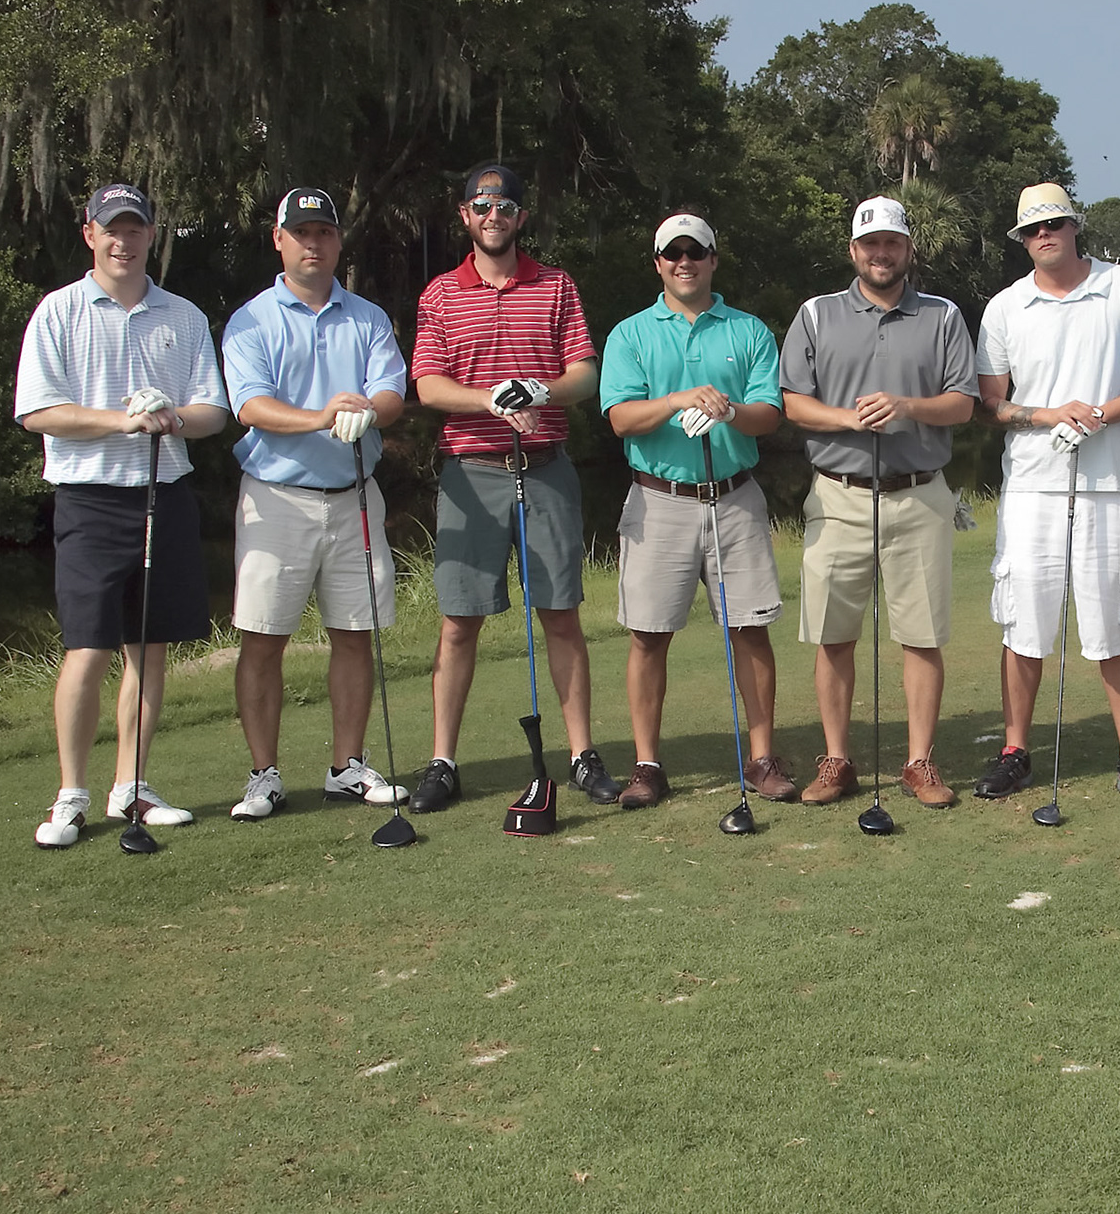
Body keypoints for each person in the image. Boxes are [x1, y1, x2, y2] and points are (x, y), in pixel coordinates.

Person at [17, 183, 230, 848]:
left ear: (149, 235)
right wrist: (124, 421)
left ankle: (130, 787)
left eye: (135, 228)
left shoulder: (183, 316)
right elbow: (38, 412)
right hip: (89, 499)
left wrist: (170, 417)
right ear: (90, 234)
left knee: (149, 646)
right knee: (87, 648)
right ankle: (70, 796)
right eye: (112, 229)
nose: (123, 240)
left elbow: (213, 412)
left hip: (163, 494)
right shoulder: (58, 312)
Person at [407, 162, 619, 812]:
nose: (493, 215)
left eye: (504, 206)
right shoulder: (441, 294)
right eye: (481, 205)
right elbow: (428, 385)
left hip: (546, 468)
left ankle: (582, 755)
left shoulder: (555, 285)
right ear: (465, 215)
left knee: (560, 615)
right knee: (459, 622)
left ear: (520, 217)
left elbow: (585, 374)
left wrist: (539, 390)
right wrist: (489, 399)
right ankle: (443, 762)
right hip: (471, 471)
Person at [218, 187, 410, 821]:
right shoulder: (251, 320)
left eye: (324, 232)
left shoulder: (368, 317)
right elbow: (250, 406)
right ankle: (263, 776)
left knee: (355, 634)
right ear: (278, 240)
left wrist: (366, 409)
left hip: (354, 493)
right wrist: (322, 416)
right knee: (263, 638)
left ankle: (346, 767)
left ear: (337, 241)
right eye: (301, 233)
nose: (313, 243)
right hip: (275, 498)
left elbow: (391, 394)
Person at [781, 195, 977, 809]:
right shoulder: (816, 314)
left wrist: (907, 406)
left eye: (892, 242)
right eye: (871, 244)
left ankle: (919, 762)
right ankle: (837, 760)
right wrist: (848, 418)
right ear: (853, 251)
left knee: (922, 635)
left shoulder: (943, 315)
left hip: (919, 495)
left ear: (907, 248)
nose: (881, 253)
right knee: (833, 635)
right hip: (838, 495)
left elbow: (963, 403)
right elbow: (792, 401)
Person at [974, 183, 1120, 806]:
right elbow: (990, 403)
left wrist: (1099, 415)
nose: (1044, 235)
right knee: (1023, 621)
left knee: (1115, 619)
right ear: (1022, 239)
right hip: (1032, 485)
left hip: (1109, 483)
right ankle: (1014, 751)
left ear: (1074, 226)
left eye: (1054, 223)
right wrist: (1047, 414)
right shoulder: (1005, 306)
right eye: (1032, 229)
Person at [598, 212, 795, 809]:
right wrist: (678, 400)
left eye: (696, 251)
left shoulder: (748, 331)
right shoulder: (631, 334)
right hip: (659, 500)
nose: (685, 262)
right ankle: (647, 765)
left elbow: (770, 415)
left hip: (734, 497)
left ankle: (762, 758)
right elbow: (620, 418)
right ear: (658, 264)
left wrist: (729, 411)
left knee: (749, 629)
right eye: (673, 253)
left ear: (713, 260)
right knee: (648, 635)